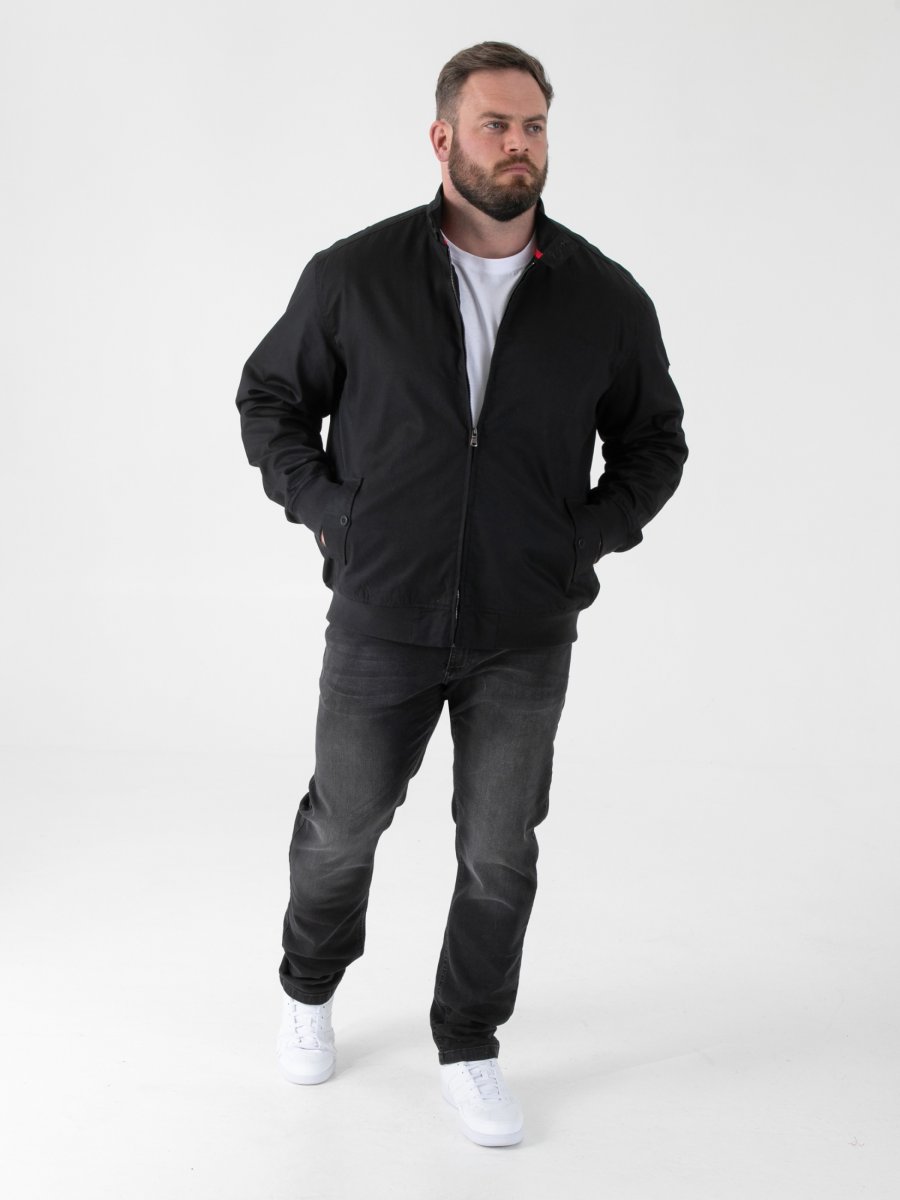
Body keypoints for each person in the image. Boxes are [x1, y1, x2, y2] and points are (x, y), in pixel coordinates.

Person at [235, 41, 687, 1148]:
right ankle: (308, 986)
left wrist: (575, 542)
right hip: (383, 615)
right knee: (343, 825)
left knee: (499, 851)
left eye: (534, 126)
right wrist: (335, 513)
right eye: (496, 124)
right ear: (443, 138)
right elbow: (271, 400)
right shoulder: (356, 276)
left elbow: (655, 443)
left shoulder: (602, 297)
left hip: (524, 629)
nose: (518, 144)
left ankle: (470, 1041)